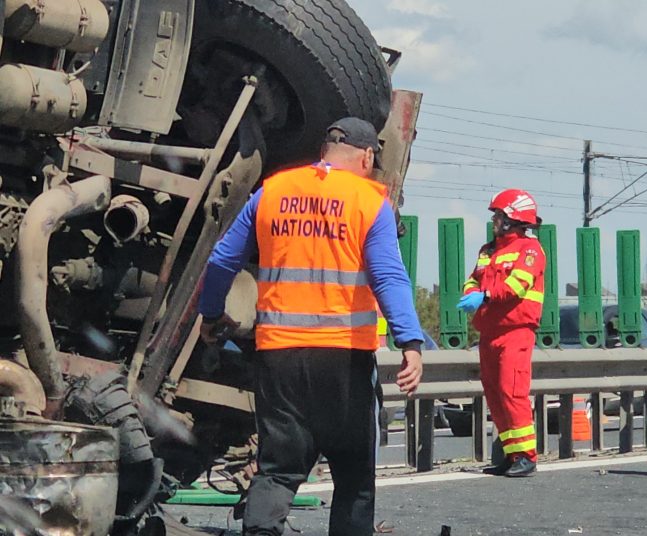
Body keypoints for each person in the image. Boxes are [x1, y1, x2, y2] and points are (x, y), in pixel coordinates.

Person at [198, 117, 424, 535]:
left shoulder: (273, 192)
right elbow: (388, 276)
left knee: (278, 470)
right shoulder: (369, 200)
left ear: (324, 151)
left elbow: (222, 259)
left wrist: (211, 316)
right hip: (344, 361)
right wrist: (409, 340)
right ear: (367, 156)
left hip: (279, 357)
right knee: (354, 478)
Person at [457, 189, 545, 477]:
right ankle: (511, 454)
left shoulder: (530, 250)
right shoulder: (488, 250)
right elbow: (472, 280)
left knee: (512, 391)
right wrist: (473, 292)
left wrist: (483, 296)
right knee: (494, 394)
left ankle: (527, 456)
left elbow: (517, 287)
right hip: (489, 332)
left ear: (513, 219)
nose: (494, 220)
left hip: (516, 331)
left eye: (499, 215)